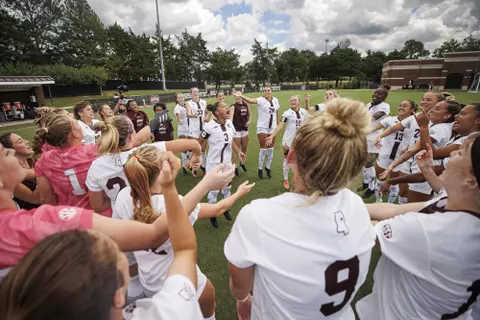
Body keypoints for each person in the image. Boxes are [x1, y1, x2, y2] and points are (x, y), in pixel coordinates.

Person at [0, 152, 206, 320]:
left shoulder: (125, 196)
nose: (9, 149)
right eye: (3, 152)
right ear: (118, 297)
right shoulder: (40, 222)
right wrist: (177, 188)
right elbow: (168, 240)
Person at [225, 98, 376, 320]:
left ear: (292, 156)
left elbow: (240, 287)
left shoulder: (258, 215)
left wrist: (242, 300)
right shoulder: (356, 206)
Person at [116, 145, 253, 319]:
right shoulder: (175, 204)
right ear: (160, 172)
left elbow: (125, 247)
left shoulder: (122, 198)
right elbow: (218, 208)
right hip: (184, 281)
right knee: (207, 312)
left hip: (149, 283)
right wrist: (239, 192)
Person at [356, 132, 480, 320]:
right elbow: (393, 210)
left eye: (461, 153)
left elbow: (367, 232)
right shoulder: (461, 208)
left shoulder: (435, 231)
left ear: (471, 181)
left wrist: (335, 206)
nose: (452, 155)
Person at [86, 115, 202, 301]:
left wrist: (116, 199)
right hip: (156, 209)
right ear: (132, 135)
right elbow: (192, 144)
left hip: (123, 217)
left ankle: (135, 285)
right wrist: (197, 155)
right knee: (172, 250)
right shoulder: (146, 151)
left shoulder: (96, 167)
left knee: (131, 256)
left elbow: (97, 205)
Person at [379, 99, 462, 202]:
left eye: (437, 108)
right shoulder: (436, 124)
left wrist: (423, 127)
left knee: (414, 207)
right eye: (423, 99)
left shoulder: (441, 129)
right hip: (418, 166)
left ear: (447, 116)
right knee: (404, 195)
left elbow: (422, 148)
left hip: (424, 171)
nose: (431, 109)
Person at [199, 102, 247, 228]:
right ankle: (212, 214)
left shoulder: (229, 123)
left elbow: (230, 141)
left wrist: (238, 151)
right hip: (214, 163)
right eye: (224, 107)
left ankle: (225, 208)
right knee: (214, 190)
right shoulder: (209, 126)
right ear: (217, 112)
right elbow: (200, 143)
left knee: (227, 187)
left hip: (227, 162)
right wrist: (196, 157)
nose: (227, 108)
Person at [371, 100, 417, 203]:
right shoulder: (390, 120)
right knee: (379, 181)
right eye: (400, 105)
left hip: (400, 158)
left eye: (405, 106)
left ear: (412, 110)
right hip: (385, 155)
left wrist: (409, 147)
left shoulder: (415, 123)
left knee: (393, 184)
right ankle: (378, 201)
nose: (401, 107)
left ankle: (389, 204)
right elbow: (374, 128)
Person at [233, 87, 280, 179]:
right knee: (263, 149)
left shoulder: (275, 100)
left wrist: (277, 123)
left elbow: (276, 111)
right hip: (262, 127)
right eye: (265, 90)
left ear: (271, 91)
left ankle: (268, 168)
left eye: (268, 90)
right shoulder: (261, 100)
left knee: (271, 149)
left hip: (273, 127)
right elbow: (250, 100)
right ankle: (260, 169)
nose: (266, 92)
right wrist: (241, 95)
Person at [265, 95, 309, 190]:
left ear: (298, 102)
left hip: (299, 141)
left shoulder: (303, 112)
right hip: (288, 142)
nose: (292, 102)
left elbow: (309, 117)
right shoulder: (287, 113)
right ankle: (285, 179)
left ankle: (298, 177)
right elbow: (280, 125)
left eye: (294, 100)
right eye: (291, 101)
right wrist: (272, 136)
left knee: (300, 160)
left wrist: (307, 102)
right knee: (287, 160)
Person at [358, 85, 391, 199]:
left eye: (379, 94)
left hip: (374, 138)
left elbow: (373, 118)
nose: (375, 95)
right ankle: (366, 182)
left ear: (385, 96)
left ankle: (371, 188)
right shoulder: (369, 104)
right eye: (375, 93)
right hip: (363, 136)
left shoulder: (385, 106)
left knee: (368, 163)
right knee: (363, 162)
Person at [0, 133, 39, 210]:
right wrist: (45, 174)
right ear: (11, 150)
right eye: (20, 141)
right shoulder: (9, 176)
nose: (27, 141)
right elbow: (35, 199)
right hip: (29, 216)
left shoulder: (32, 162)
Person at [186, 87, 208, 176]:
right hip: (194, 129)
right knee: (195, 149)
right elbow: (188, 113)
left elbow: (206, 112)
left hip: (204, 128)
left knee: (203, 149)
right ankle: (193, 167)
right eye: (194, 92)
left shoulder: (203, 102)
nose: (196, 93)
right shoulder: (188, 103)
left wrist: (207, 117)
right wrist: (193, 115)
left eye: (197, 92)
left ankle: (203, 166)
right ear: (191, 93)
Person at [229, 93, 251, 176]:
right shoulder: (233, 106)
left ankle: (242, 163)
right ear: (234, 97)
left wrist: (249, 121)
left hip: (244, 130)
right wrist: (230, 128)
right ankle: (235, 167)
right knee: (236, 150)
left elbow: (249, 115)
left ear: (241, 96)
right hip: (236, 130)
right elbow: (230, 118)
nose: (237, 97)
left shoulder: (246, 105)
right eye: (236, 96)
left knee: (244, 147)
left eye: (239, 95)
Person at [173, 93, 189, 172]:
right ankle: (184, 165)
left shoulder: (187, 104)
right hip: (182, 129)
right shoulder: (177, 108)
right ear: (176, 99)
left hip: (190, 129)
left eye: (182, 97)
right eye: (179, 98)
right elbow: (179, 117)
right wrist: (180, 120)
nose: (181, 99)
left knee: (190, 147)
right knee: (184, 148)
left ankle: (189, 163)